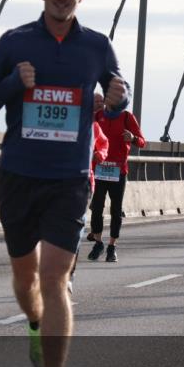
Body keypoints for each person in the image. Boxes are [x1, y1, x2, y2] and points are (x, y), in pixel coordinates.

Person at [0, 0, 129, 367]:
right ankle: (35, 323)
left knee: (54, 275)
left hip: (70, 177)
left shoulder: (97, 46)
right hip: (19, 174)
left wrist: (119, 101)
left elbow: (120, 93)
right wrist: (13, 87)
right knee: (25, 278)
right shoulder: (14, 42)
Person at [87, 92, 146, 261]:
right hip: (98, 169)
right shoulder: (97, 116)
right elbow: (87, 136)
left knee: (115, 210)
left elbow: (142, 141)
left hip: (118, 171)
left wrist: (133, 138)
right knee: (97, 208)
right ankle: (98, 243)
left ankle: (112, 246)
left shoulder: (127, 117)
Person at [69, 120, 109, 298]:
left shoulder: (93, 125)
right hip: (53, 180)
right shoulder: (56, 120)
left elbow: (103, 143)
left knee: (73, 228)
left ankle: (69, 273)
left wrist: (99, 153)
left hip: (84, 181)